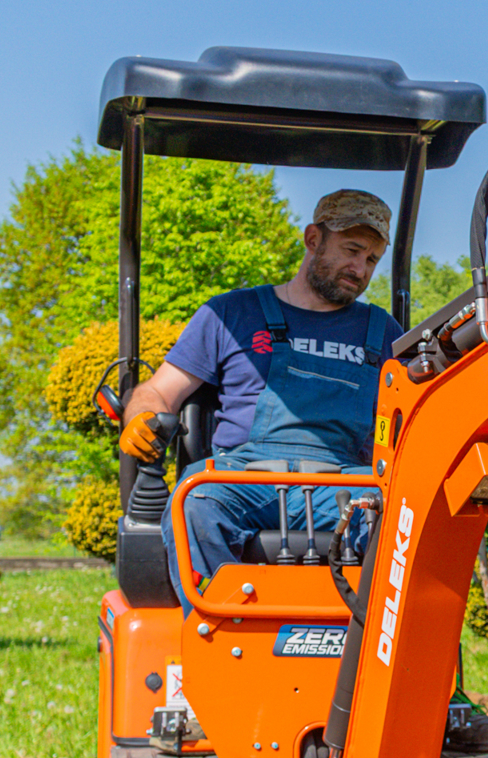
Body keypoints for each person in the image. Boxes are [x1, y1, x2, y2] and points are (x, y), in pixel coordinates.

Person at [120, 190, 399, 607]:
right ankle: (219, 626)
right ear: (313, 239)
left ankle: (369, 634)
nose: (360, 269)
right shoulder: (231, 313)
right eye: (352, 250)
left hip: (344, 482)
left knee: (399, 514)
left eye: (372, 259)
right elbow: (158, 391)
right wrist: (141, 415)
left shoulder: (384, 332)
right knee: (195, 502)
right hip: (244, 478)